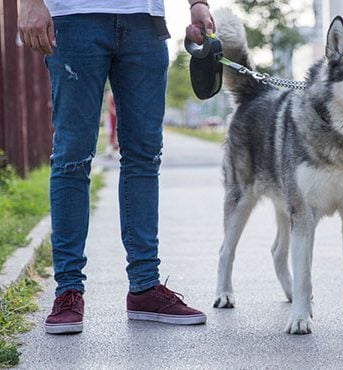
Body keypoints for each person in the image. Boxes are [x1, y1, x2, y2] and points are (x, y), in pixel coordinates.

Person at [18, 0, 215, 334]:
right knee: (72, 158)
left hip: (144, 22)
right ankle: (68, 291)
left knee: (144, 157)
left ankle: (144, 287)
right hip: (73, 18)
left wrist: (197, 4)